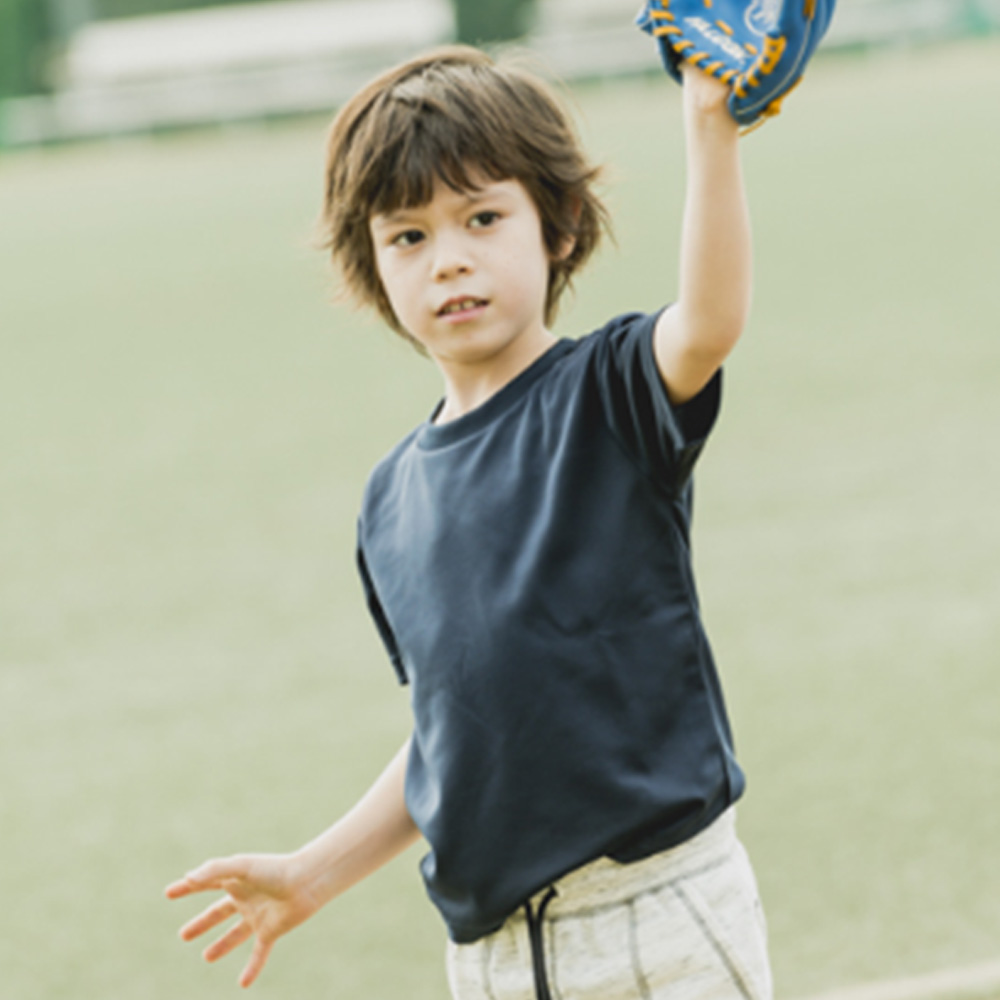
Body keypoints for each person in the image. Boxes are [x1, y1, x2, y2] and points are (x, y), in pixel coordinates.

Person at [166, 44, 771, 1000]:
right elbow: (457, 730)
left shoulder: (607, 394)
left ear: (558, 226)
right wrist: (313, 871)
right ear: (372, 265)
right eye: (407, 237)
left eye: (482, 219)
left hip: (659, 920)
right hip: (491, 962)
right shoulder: (389, 499)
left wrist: (709, 127)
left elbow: (708, 322)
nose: (449, 259)